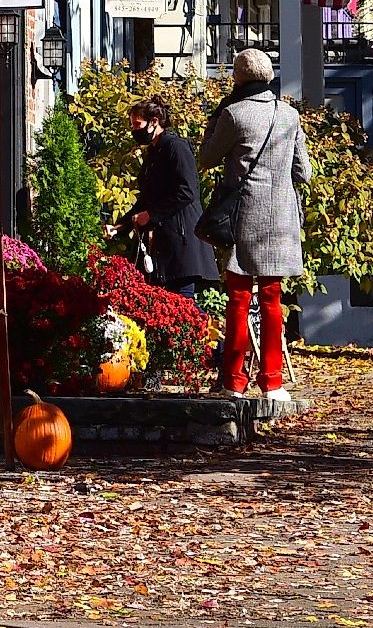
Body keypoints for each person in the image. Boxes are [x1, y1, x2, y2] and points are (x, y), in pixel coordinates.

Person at [197, 49, 314, 401]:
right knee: (272, 300)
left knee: (238, 298)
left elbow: (206, 158)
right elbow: (303, 172)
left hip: (245, 215)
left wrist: (215, 119)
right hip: (280, 218)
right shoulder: (289, 115)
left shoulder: (233, 114)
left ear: (237, 79)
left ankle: (233, 383)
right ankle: (273, 383)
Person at [127, 97, 216, 296]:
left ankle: (210, 327)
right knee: (171, 304)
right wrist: (121, 225)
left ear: (154, 122)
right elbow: (148, 197)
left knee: (182, 303)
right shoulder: (155, 151)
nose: (133, 130)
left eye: (137, 124)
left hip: (182, 240)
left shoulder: (176, 147)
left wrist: (151, 215)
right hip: (168, 242)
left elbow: (187, 191)